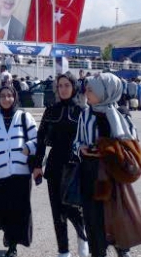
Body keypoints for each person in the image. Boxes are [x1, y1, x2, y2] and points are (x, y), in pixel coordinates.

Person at [73, 73, 141, 257]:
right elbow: (76, 142)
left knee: (118, 220)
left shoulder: (122, 115)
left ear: (105, 91)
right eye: (87, 89)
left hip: (114, 178)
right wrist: (81, 149)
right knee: (93, 222)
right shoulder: (85, 114)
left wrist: (107, 149)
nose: (86, 93)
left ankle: (123, 250)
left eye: (91, 90)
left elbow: (133, 146)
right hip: (90, 176)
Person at [33, 72, 89, 257]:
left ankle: (83, 239)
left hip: (76, 168)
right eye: (60, 86)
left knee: (75, 209)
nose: (63, 89)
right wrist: (37, 165)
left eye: (67, 85)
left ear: (74, 87)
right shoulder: (51, 110)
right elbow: (40, 139)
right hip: (55, 168)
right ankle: (63, 251)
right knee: (58, 212)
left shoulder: (83, 110)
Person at [0, 85, 38, 257]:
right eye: (3, 96)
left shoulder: (24, 117)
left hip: (20, 172)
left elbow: (36, 138)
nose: (6, 99)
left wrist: (27, 149)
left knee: (19, 209)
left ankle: (13, 245)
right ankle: (8, 235)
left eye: (9, 96)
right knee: (1, 207)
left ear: (15, 97)